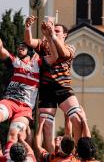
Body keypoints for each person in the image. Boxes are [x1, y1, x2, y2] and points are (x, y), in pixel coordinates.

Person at [0, 22, 58, 142]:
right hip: (9, 101)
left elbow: (54, 56)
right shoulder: (15, 62)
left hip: (25, 108)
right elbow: (1, 50)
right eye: (18, 47)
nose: (20, 48)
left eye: (23, 47)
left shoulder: (38, 64)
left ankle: (9, 154)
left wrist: (49, 36)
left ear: (31, 51)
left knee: (14, 135)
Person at [23, 16, 88, 151]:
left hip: (63, 88)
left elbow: (63, 54)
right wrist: (28, 27)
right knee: (46, 126)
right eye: (54, 30)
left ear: (65, 35)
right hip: (46, 90)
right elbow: (29, 41)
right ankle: (52, 157)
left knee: (77, 119)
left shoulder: (70, 47)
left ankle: (77, 153)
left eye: (58, 31)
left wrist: (51, 35)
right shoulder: (43, 45)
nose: (55, 31)